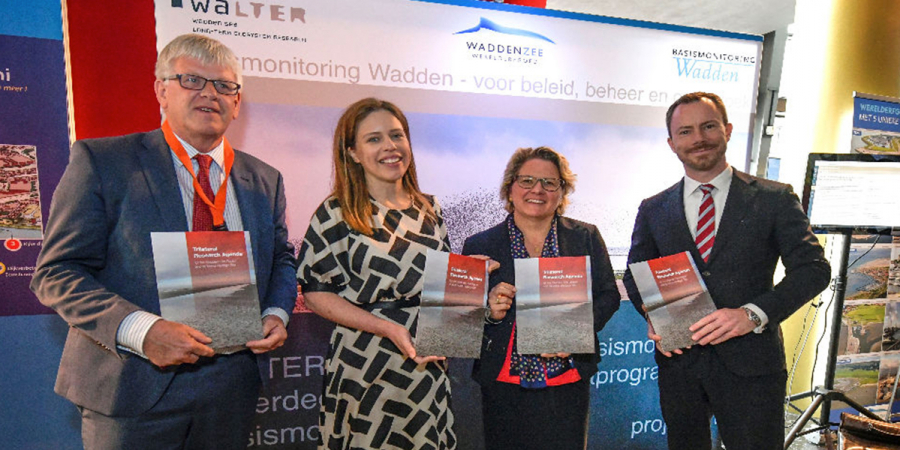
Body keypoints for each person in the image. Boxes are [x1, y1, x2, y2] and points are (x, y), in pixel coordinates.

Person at [30, 34, 297, 449]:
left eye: (224, 85)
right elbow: (56, 272)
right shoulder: (103, 162)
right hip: (132, 386)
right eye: (192, 80)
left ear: (237, 102)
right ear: (161, 91)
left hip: (231, 389)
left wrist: (277, 312)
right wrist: (142, 331)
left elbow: (281, 258)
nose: (209, 93)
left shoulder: (264, 179)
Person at [622, 92, 831, 450]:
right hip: (680, 364)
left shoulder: (774, 198)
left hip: (752, 363)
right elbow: (635, 274)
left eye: (708, 126)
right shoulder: (654, 208)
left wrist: (753, 314)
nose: (698, 138)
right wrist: (654, 314)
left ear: (728, 130)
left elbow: (813, 269)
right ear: (672, 143)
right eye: (685, 131)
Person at [297, 98, 457, 449]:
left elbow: (442, 288)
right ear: (352, 152)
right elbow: (316, 294)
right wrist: (387, 328)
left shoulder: (430, 208)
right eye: (374, 139)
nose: (390, 146)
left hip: (425, 367)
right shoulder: (336, 212)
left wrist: (473, 276)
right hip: (366, 366)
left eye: (397, 135)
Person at [461, 146, 621, 450]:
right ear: (510, 188)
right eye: (527, 180)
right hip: (502, 381)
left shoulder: (585, 237)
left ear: (561, 192)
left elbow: (608, 295)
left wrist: (576, 329)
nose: (538, 190)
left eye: (550, 182)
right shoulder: (479, 244)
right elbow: (462, 317)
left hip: (568, 377)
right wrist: (488, 311)